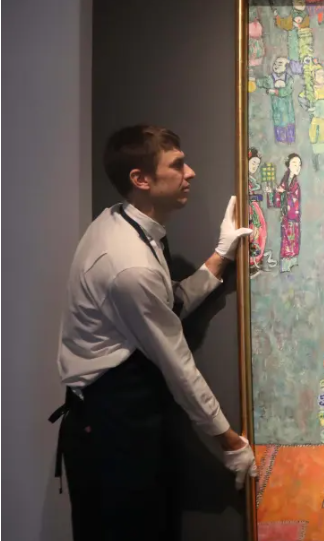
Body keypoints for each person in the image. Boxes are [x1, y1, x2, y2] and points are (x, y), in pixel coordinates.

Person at [50, 125, 258, 541]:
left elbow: (168, 304)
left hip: (125, 419)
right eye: (177, 165)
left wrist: (220, 255)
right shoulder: (128, 263)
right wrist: (230, 441)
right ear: (141, 179)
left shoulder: (123, 221)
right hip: (112, 431)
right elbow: (176, 364)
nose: (190, 172)